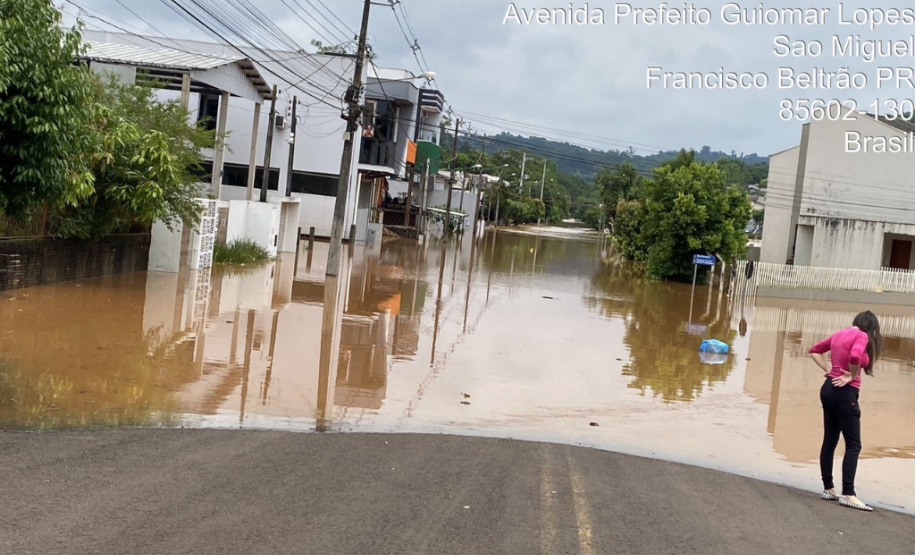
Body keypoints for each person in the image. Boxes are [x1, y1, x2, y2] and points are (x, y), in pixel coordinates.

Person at [808, 310, 883, 512]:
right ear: (871, 327)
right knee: (853, 445)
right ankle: (848, 494)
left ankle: (828, 489)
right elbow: (855, 354)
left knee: (830, 440)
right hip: (844, 393)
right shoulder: (862, 335)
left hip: (828, 389)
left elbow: (814, 350)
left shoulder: (840, 333)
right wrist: (851, 375)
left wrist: (828, 370)